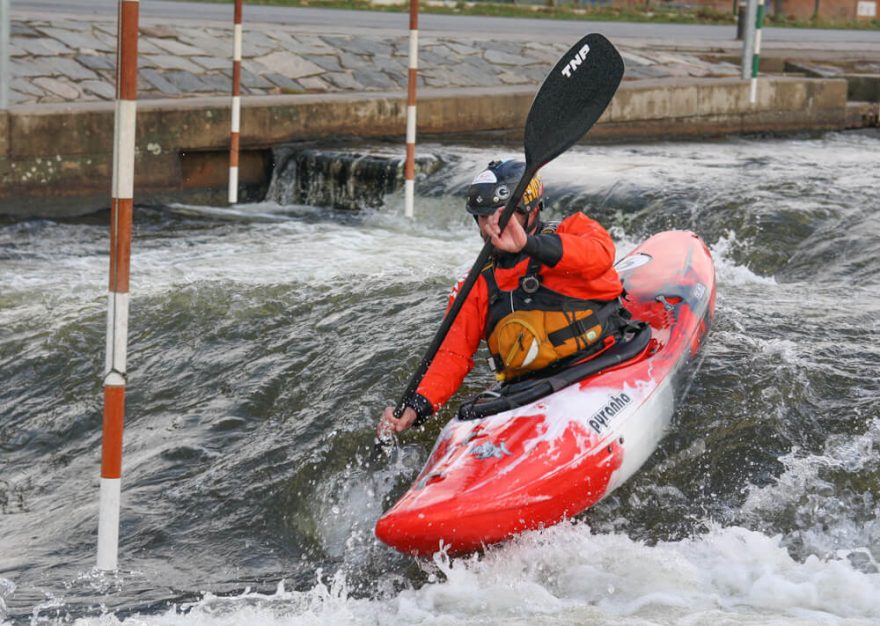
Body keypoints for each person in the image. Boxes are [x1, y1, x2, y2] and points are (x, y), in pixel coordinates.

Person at [378, 159, 626, 436]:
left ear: (530, 211)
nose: (490, 226)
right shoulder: (476, 284)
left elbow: (600, 256)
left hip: (599, 364)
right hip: (529, 390)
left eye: (501, 215)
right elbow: (452, 354)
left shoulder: (573, 232)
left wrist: (529, 245)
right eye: (483, 217)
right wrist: (415, 408)